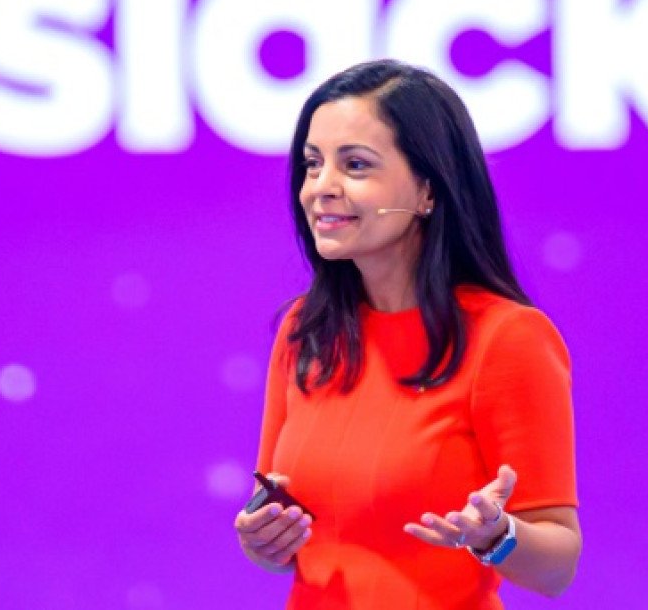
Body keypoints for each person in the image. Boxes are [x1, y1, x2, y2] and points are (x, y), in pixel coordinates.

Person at [233, 60, 580, 608]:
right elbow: (286, 530)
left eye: (355, 164)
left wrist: (495, 537)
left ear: (427, 190)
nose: (321, 188)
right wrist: (263, 540)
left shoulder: (507, 338)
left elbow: (557, 567)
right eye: (312, 164)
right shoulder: (305, 330)